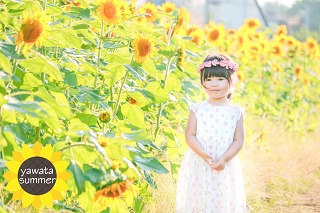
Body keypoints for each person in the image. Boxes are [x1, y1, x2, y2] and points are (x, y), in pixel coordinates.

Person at [176, 53, 246, 212]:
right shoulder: (197, 108)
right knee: (199, 199)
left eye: (220, 79)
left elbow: (238, 140)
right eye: (208, 79)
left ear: (232, 81)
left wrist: (224, 158)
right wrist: (204, 154)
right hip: (200, 160)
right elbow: (190, 135)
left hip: (224, 162)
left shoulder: (236, 112)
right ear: (202, 82)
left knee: (222, 199)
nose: (214, 84)